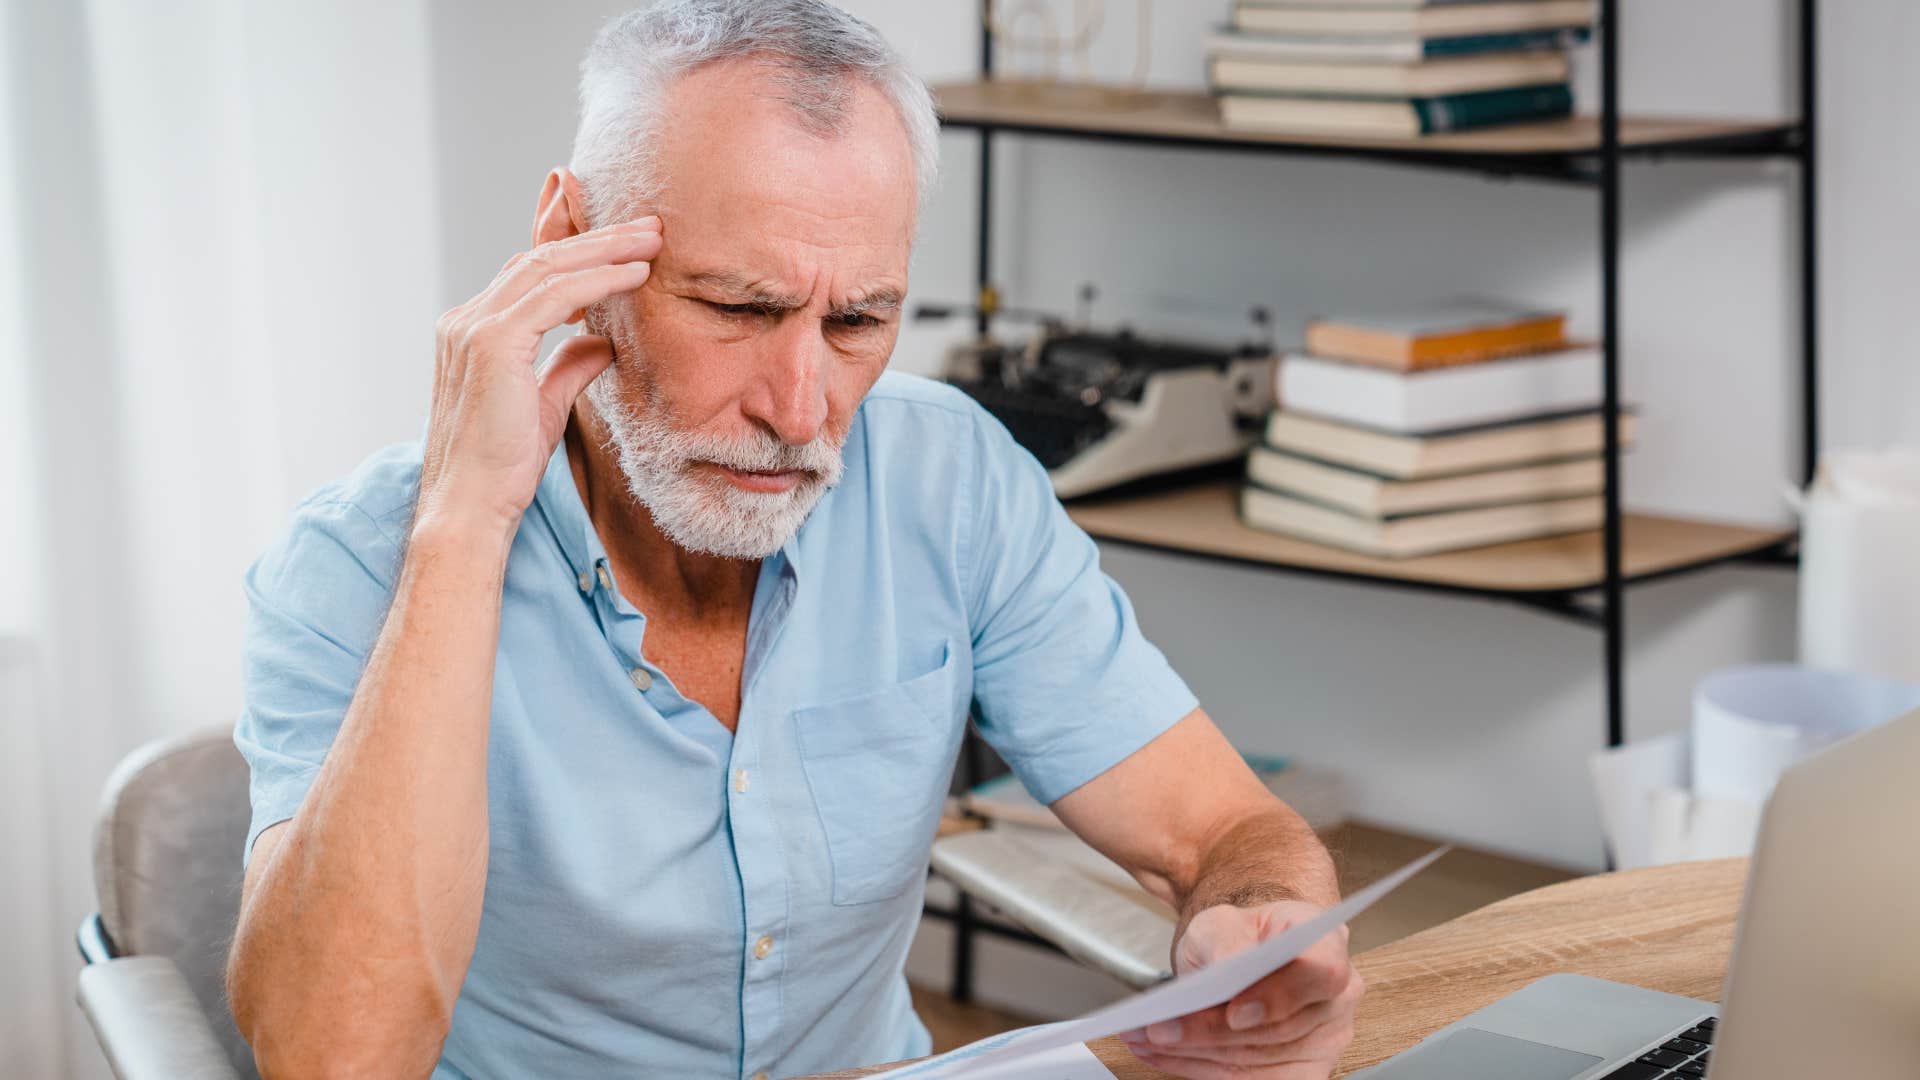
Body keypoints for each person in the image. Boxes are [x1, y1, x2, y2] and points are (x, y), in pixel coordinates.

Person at [224, 2, 1358, 1077]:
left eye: (859, 321)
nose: (802, 408)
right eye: (737, 308)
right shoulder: (359, 562)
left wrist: (1263, 925)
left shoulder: (949, 480)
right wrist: (465, 530)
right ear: (571, 249)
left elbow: (1221, 828)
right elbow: (335, 1058)